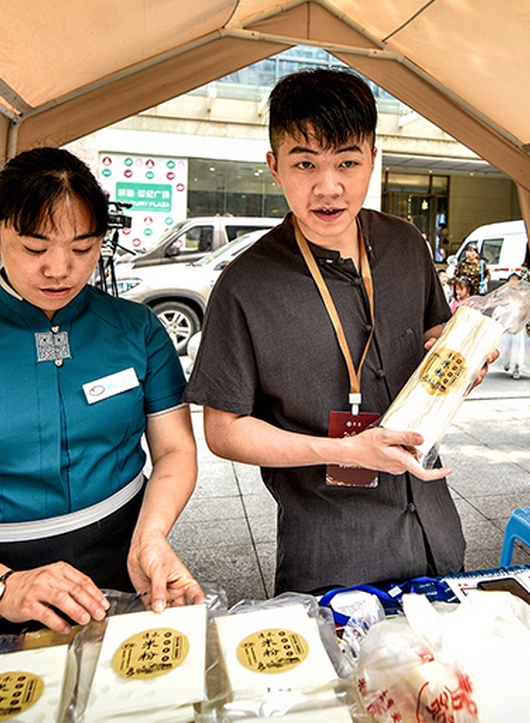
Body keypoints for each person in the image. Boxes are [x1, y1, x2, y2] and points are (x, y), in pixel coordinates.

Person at [0, 147, 204, 649]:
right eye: (34, 248)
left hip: (126, 552)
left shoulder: (136, 328)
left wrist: (152, 534)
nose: (60, 269)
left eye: (83, 247)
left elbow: (176, 450)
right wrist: (1, 586)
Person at [184, 69, 479, 595]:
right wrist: (344, 450)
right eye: (305, 164)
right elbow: (223, 430)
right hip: (331, 552)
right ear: (275, 167)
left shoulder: (406, 245)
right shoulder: (245, 284)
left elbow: (436, 329)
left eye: (347, 162)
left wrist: (462, 360)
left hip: (438, 533)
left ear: (372, 158)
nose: (329, 187)